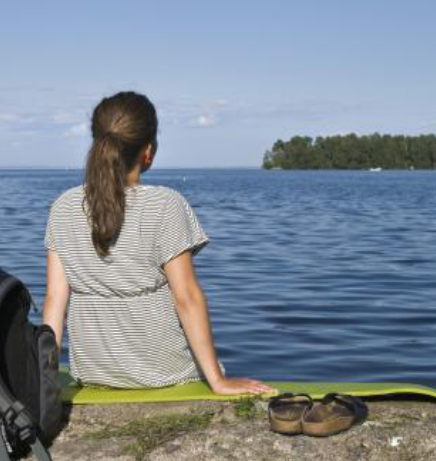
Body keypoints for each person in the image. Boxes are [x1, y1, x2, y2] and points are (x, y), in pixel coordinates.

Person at [42, 91, 273, 395]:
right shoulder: (166, 205)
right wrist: (216, 379)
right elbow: (187, 297)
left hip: (94, 373)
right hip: (165, 373)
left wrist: (44, 377)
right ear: (147, 151)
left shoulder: (64, 206)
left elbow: (55, 301)